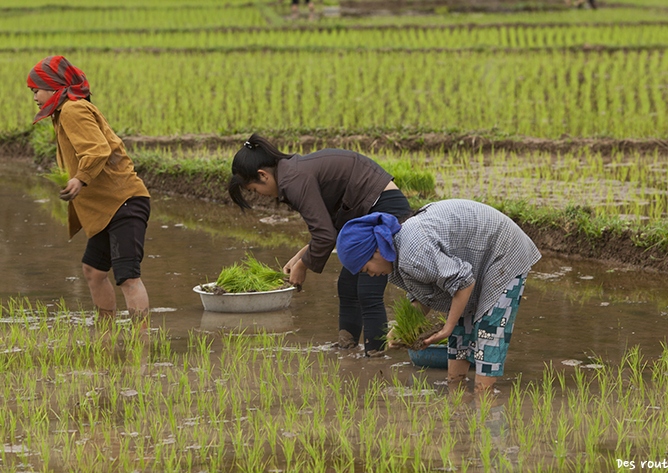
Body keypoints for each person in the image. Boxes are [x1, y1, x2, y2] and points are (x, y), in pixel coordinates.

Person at [228, 134, 411, 355]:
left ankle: (375, 359)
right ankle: (347, 350)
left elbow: (325, 236)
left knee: (367, 291)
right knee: (346, 284)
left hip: (382, 206)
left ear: (263, 175)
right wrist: (299, 257)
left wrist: (302, 267)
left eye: (255, 191)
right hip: (366, 208)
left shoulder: (293, 180)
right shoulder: (292, 172)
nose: (261, 196)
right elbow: (328, 230)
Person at [336, 200, 541, 391]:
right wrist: (401, 328)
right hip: (473, 263)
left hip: (503, 250)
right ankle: (458, 401)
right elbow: (426, 297)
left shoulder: (412, 253)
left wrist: (447, 327)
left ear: (378, 251)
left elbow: (464, 282)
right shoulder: (397, 260)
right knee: (461, 329)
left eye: (366, 269)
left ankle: (485, 404)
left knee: (488, 332)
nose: (371, 274)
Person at [26, 55, 151, 325]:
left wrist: (80, 179)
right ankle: (106, 332)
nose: (34, 96)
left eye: (37, 89)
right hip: (107, 206)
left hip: (123, 201)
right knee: (94, 270)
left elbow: (97, 150)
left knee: (128, 277)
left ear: (54, 87)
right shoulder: (64, 112)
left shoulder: (73, 109)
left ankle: (141, 342)